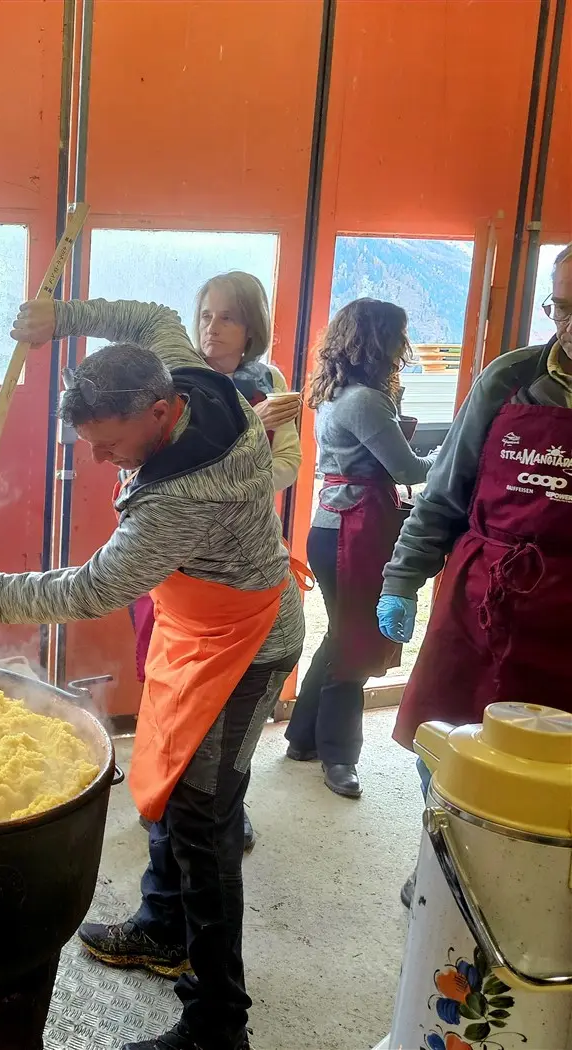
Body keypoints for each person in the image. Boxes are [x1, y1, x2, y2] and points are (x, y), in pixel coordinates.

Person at [0, 297, 306, 1050]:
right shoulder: (181, 364)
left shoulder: (180, 498)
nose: (100, 462)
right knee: (164, 785)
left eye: (110, 447)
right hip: (195, 624)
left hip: (250, 643)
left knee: (206, 823)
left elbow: (89, 591)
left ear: (163, 409)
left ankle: (216, 1024)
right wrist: (61, 317)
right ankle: (162, 927)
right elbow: (149, 314)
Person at [378, 244, 572, 906]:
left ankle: (530, 887)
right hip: (484, 595)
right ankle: (441, 857)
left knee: (551, 772)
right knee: (446, 741)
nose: (568, 328)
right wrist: (401, 580)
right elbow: (442, 493)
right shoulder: (510, 381)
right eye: (561, 308)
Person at [120, 273, 301, 851]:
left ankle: (220, 802)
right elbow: (139, 471)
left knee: (227, 710)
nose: (212, 328)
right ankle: (165, 796)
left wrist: (237, 488)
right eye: (205, 315)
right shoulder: (176, 383)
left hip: (235, 570)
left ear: (252, 328)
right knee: (162, 673)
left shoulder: (268, 384)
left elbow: (290, 462)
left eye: (228, 317)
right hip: (170, 563)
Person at [284, 299, 434, 800]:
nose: (402, 350)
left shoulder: (334, 393)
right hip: (352, 530)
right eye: (399, 339)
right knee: (353, 644)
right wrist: (455, 453)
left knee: (339, 637)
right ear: (381, 342)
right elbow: (410, 471)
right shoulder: (366, 401)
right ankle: (339, 757)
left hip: (332, 528)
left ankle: (302, 737)